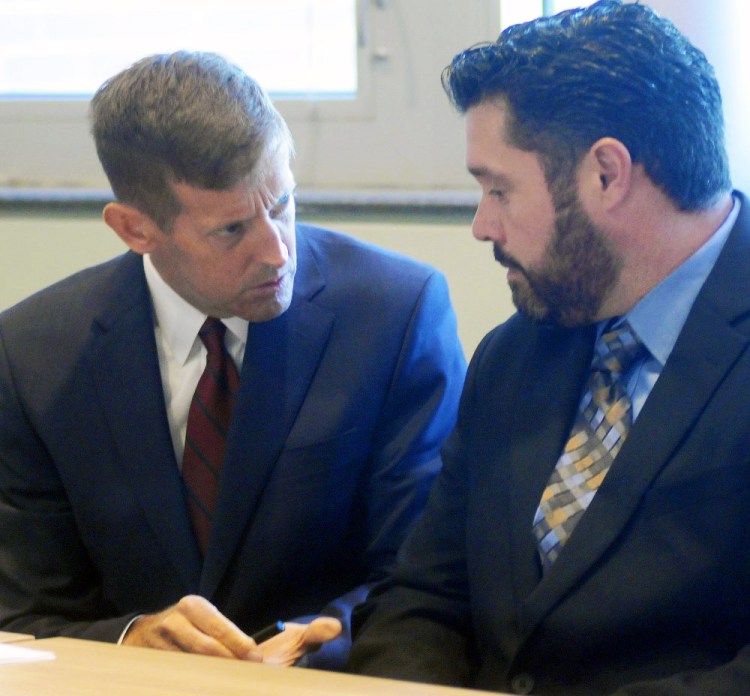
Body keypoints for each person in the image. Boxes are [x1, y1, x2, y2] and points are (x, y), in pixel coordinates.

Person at [0, 51, 466, 669]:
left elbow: (427, 573)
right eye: (231, 230)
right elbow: (24, 614)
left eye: (282, 206)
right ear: (135, 229)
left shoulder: (396, 314)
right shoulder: (32, 354)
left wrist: (314, 639)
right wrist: (130, 638)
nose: (277, 254)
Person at [347, 1, 750, 693]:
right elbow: (424, 598)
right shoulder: (515, 353)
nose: (481, 225)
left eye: (499, 189)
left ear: (605, 174)